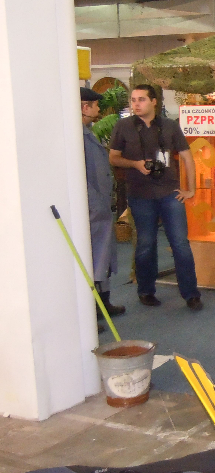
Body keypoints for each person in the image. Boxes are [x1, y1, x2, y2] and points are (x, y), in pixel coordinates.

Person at [108, 84, 203, 311]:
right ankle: (146, 291)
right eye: (133, 100)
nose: (136, 104)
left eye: (141, 99)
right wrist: (135, 164)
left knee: (180, 244)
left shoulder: (170, 126)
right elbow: (113, 158)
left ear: (153, 102)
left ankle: (191, 294)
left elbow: (187, 157)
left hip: (170, 193)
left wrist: (191, 189)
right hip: (139, 195)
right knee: (146, 244)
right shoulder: (123, 126)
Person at [80, 87, 124, 329]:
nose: (98, 109)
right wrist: (93, 202)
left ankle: (103, 303)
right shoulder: (75, 136)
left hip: (99, 207)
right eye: (95, 105)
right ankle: (90, 311)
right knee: (92, 258)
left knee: (102, 256)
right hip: (91, 208)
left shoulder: (87, 132)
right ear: (85, 107)